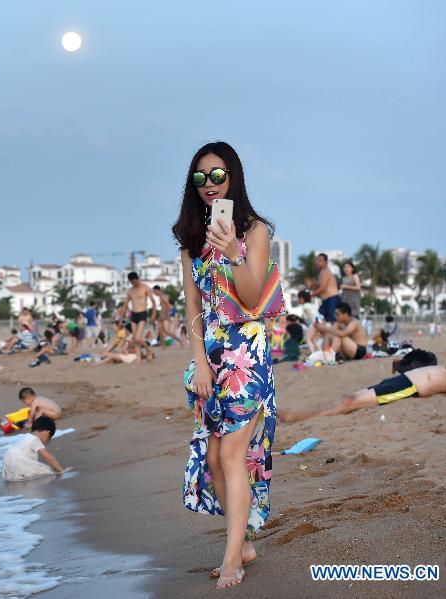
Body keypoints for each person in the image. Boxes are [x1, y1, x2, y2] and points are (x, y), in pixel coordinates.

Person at [172, 141, 276, 588]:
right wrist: (199, 362)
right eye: (201, 177)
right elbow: (192, 307)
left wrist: (234, 250)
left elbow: (253, 297)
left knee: (232, 455)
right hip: (210, 359)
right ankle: (245, 542)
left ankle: (233, 557)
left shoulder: (255, 231)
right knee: (215, 459)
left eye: (217, 175)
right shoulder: (191, 242)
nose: (209, 185)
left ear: (233, 178)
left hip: (246, 356)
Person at [280, 361, 446, 422]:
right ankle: (301, 414)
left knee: (351, 401)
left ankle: (295, 417)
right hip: (403, 379)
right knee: (347, 398)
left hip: (410, 387)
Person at [2, 416, 68, 481]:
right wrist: (61, 470)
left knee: (20, 473)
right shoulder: (35, 440)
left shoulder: (24, 436)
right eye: (49, 437)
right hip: (20, 461)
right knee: (47, 471)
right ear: (47, 432)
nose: (47, 441)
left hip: (7, 461)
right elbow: (49, 457)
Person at [124, 272, 157, 362]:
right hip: (133, 314)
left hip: (142, 313)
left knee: (138, 338)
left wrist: (153, 314)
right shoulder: (130, 291)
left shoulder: (145, 288)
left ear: (138, 279)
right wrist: (121, 318)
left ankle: (149, 350)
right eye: (131, 282)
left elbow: (153, 302)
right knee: (135, 339)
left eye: (134, 282)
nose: (133, 284)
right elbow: (125, 304)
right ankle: (138, 361)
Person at [306, 253, 341, 324]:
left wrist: (311, 295)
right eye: (317, 260)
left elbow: (322, 289)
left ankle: (338, 334)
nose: (317, 262)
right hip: (327, 301)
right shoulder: (323, 272)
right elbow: (320, 287)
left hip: (332, 300)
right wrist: (312, 285)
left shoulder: (325, 272)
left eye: (320, 260)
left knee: (332, 321)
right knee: (320, 319)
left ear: (326, 262)